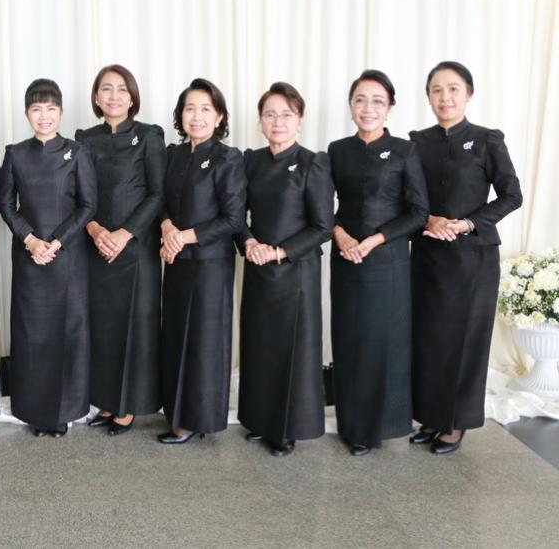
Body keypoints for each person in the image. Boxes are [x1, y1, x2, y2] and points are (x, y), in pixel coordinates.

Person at [409, 61, 522, 455]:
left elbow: (512, 195)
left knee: (465, 341)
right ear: (428, 97)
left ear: (469, 94)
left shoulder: (487, 140)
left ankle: (454, 421)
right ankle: (429, 416)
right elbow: (406, 198)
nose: (445, 97)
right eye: (437, 90)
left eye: (453, 89)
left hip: (473, 258)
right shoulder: (416, 142)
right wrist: (429, 219)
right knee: (428, 338)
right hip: (427, 254)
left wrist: (468, 223)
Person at [328, 69, 429, 456]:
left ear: (390, 107)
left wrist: (374, 239)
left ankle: (379, 427)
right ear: (350, 106)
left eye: (377, 101)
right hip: (346, 258)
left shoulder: (405, 150)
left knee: (381, 343)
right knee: (348, 340)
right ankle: (351, 424)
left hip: (387, 262)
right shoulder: (337, 150)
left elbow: (418, 212)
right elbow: (321, 206)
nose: (367, 108)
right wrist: (341, 236)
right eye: (360, 100)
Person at [237, 82, 333, 457]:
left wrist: (279, 252)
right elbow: (236, 215)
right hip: (258, 267)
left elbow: (322, 227)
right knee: (259, 347)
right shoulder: (252, 161)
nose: (278, 122)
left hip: (296, 272)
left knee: (291, 352)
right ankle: (260, 420)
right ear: (260, 120)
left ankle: (287, 427)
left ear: (300, 119)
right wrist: (249, 243)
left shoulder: (313, 163)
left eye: (286, 115)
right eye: (270, 114)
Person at [0, 79, 97, 437]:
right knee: (32, 334)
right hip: (29, 257)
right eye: (36, 109)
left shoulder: (77, 152)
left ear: (61, 112)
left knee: (67, 332)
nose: (44, 116)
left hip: (67, 257)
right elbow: (6, 204)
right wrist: (29, 239)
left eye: (51, 108)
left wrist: (56, 242)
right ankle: (33, 410)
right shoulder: (15, 153)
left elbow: (88, 205)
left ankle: (63, 413)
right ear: (27, 113)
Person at [75, 65, 165, 436]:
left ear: (132, 97)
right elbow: (79, 194)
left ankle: (128, 406)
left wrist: (125, 234)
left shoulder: (149, 135)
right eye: (106, 89)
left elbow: (157, 194)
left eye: (122, 89)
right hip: (96, 246)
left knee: (135, 328)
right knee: (103, 328)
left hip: (137, 247)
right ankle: (107, 401)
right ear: (96, 98)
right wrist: (96, 230)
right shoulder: (85, 139)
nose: (114, 96)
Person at [159, 78, 247, 444]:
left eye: (205, 109)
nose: (196, 116)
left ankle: (197, 420)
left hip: (210, 264)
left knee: (204, 341)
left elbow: (233, 219)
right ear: (181, 115)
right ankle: (175, 414)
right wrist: (167, 228)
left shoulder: (229, 158)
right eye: (190, 109)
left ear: (219, 116)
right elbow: (160, 201)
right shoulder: (173, 155)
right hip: (175, 261)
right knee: (175, 337)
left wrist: (183, 237)